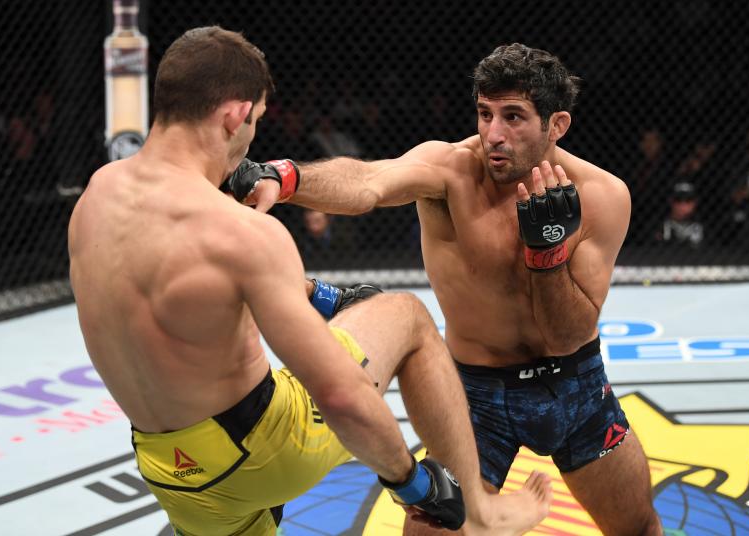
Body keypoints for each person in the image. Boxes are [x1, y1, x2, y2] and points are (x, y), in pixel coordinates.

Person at [67, 27, 550, 536]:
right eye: (253, 121)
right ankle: (480, 514)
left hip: (171, 471)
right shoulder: (243, 233)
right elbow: (340, 397)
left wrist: (319, 296)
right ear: (234, 115)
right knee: (406, 316)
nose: (249, 137)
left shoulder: (96, 198)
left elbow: (191, 302)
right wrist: (411, 481)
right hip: (263, 448)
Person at [228, 43, 662, 535]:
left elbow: (567, 334)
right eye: (485, 114)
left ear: (556, 125)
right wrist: (284, 176)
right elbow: (370, 180)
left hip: (575, 387)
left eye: (514, 117)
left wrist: (547, 256)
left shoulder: (602, 196)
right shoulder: (451, 171)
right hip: (476, 397)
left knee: (640, 528)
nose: (494, 135)